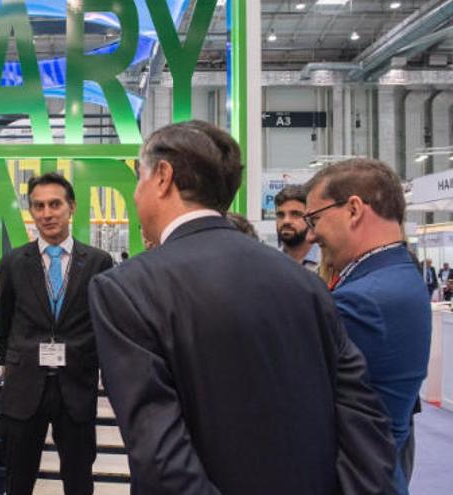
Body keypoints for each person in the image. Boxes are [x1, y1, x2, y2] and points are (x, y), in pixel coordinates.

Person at [89, 121, 396, 494]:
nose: (136, 195)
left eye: (140, 179)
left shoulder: (126, 290)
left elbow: (161, 457)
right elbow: (364, 416)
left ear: (163, 178)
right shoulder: (306, 283)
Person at [305, 158, 431, 494]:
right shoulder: (395, 274)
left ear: (354, 209)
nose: (312, 233)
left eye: (315, 218)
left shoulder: (365, 299)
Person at [0, 173, 114, 495]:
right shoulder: (13, 263)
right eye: (38, 206)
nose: (47, 213)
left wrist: (88, 363)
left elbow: (105, 326)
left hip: (76, 389)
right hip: (23, 391)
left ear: (71, 207)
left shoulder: (99, 263)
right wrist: (20, 361)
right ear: (31, 211)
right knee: (17, 481)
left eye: (55, 204)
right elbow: (0, 328)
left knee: (79, 481)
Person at [274, 184, 320, 271]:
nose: (286, 221)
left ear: (311, 218)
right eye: (280, 215)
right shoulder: (270, 262)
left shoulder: (328, 261)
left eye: (295, 214)